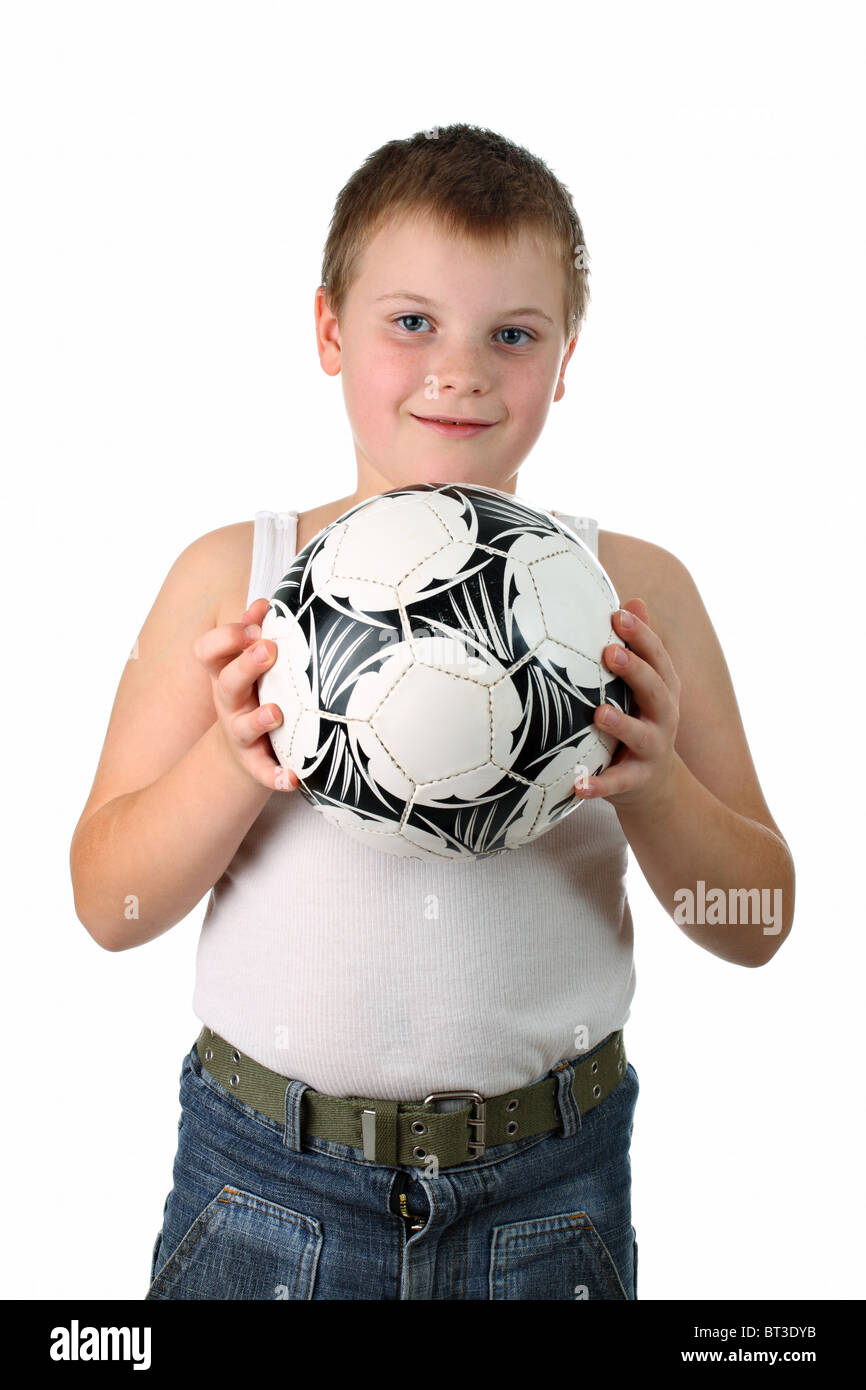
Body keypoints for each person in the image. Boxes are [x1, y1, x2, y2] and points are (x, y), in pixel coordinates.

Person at [69, 123, 795, 1301]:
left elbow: (755, 918)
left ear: (565, 360)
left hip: (547, 1196)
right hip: (265, 1186)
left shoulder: (633, 594)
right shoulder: (233, 578)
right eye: (411, 322)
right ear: (327, 331)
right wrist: (230, 755)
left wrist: (656, 787)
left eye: (512, 334)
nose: (458, 369)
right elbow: (109, 904)